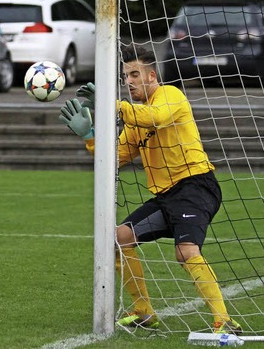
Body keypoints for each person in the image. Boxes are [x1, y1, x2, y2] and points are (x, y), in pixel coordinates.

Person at [59, 44, 241, 334]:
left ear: (152, 76)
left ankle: (224, 321)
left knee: (186, 251)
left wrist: (111, 104)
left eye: (134, 74)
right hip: (167, 195)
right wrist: (91, 136)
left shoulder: (170, 95)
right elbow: (115, 157)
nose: (128, 82)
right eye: (124, 77)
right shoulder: (135, 118)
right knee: (120, 238)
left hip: (195, 185)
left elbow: (154, 118)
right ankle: (144, 312)